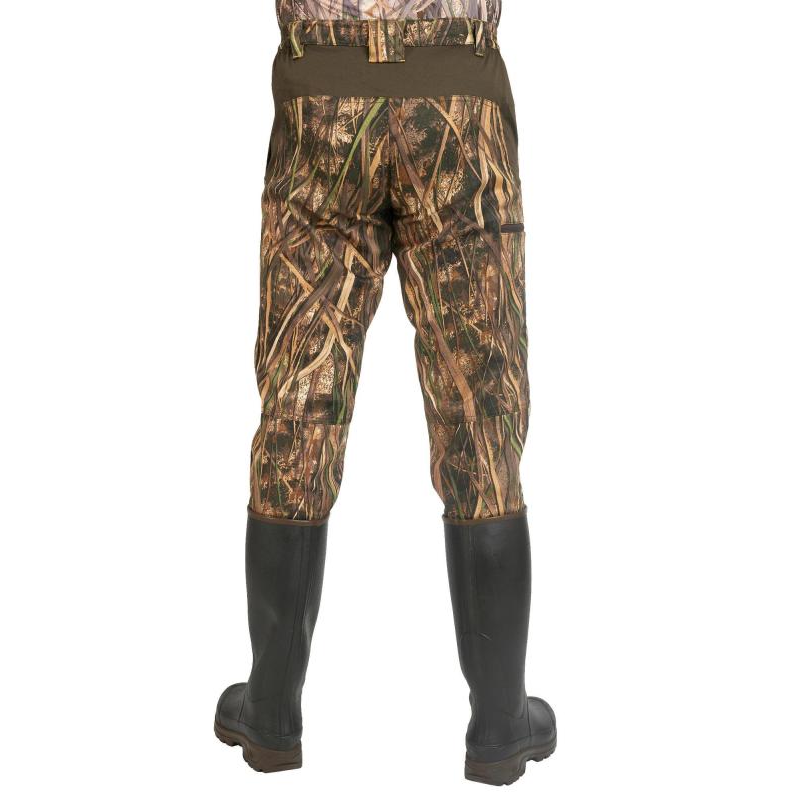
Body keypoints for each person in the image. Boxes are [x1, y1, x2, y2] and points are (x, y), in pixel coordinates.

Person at [214, 1, 556, 786]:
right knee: (482, 407)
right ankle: (500, 722)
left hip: (321, 100)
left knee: (300, 401)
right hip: (458, 100)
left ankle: (271, 709)